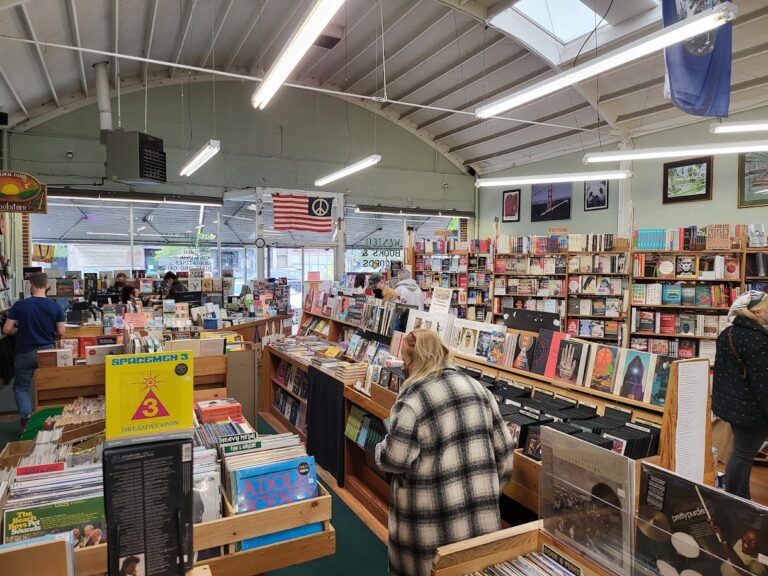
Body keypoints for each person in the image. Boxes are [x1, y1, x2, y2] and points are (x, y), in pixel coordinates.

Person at [375, 330, 514, 576]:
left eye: (405, 364)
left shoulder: (413, 399)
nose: (405, 370)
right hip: (480, 525)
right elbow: (505, 454)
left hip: (429, 529)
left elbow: (394, 459)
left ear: (416, 361)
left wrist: (380, 449)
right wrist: (487, 493)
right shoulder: (479, 389)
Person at [713, 290, 768, 500]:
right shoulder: (757, 339)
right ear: (758, 311)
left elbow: (723, 373)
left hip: (733, 406)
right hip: (752, 411)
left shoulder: (727, 333)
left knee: (741, 453)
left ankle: (742, 499)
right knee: (743, 455)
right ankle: (734, 500)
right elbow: (763, 384)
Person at [2, 272, 66, 430]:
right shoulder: (55, 306)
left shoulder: (20, 305)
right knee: (48, 385)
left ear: (30, 285)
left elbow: (6, 329)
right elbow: (61, 332)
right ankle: (51, 421)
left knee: (22, 387)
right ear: (47, 286)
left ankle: (27, 419)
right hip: (47, 352)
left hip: (25, 352)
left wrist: (20, 331)